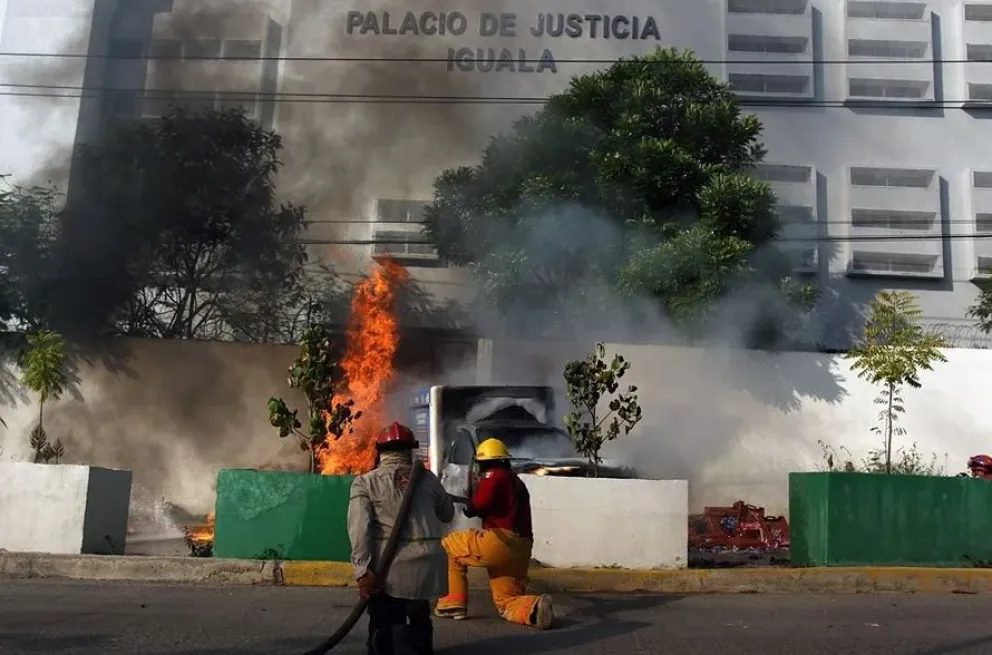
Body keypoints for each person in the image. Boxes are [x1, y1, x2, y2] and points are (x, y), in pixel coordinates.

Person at [348, 422, 455, 655]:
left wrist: (362, 570)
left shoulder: (365, 482)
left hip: (391, 568)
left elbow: (359, 529)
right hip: (428, 565)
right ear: (410, 450)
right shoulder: (428, 479)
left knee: (383, 621)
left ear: (380, 450)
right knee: (419, 619)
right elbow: (448, 514)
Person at [434, 438, 553, 630]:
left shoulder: (494, 475)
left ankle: (452, 604)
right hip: (521, 548)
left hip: (500, 541)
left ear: (485, 462)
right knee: (507, 602)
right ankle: (535, 608)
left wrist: (470, 508)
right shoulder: (517, 482)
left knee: (449, 545)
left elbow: (479, 503)